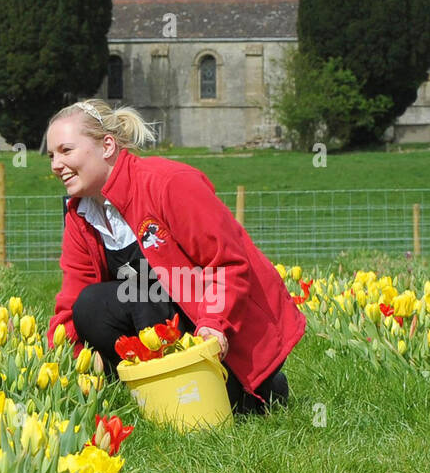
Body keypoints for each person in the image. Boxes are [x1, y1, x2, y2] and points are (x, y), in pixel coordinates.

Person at [44, 99, 306, 414]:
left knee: (139, 290)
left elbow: (228, 264)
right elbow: (72, 298)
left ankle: (261, 385)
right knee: (90, 304)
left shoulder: (168, 183)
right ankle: (148, 391)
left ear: (107, 146)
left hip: (218, 333)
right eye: (51, 155)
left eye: (66, 151)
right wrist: (62, 362)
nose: (55, 165)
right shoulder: (81, 214)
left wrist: (213, 323)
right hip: (157, 325)